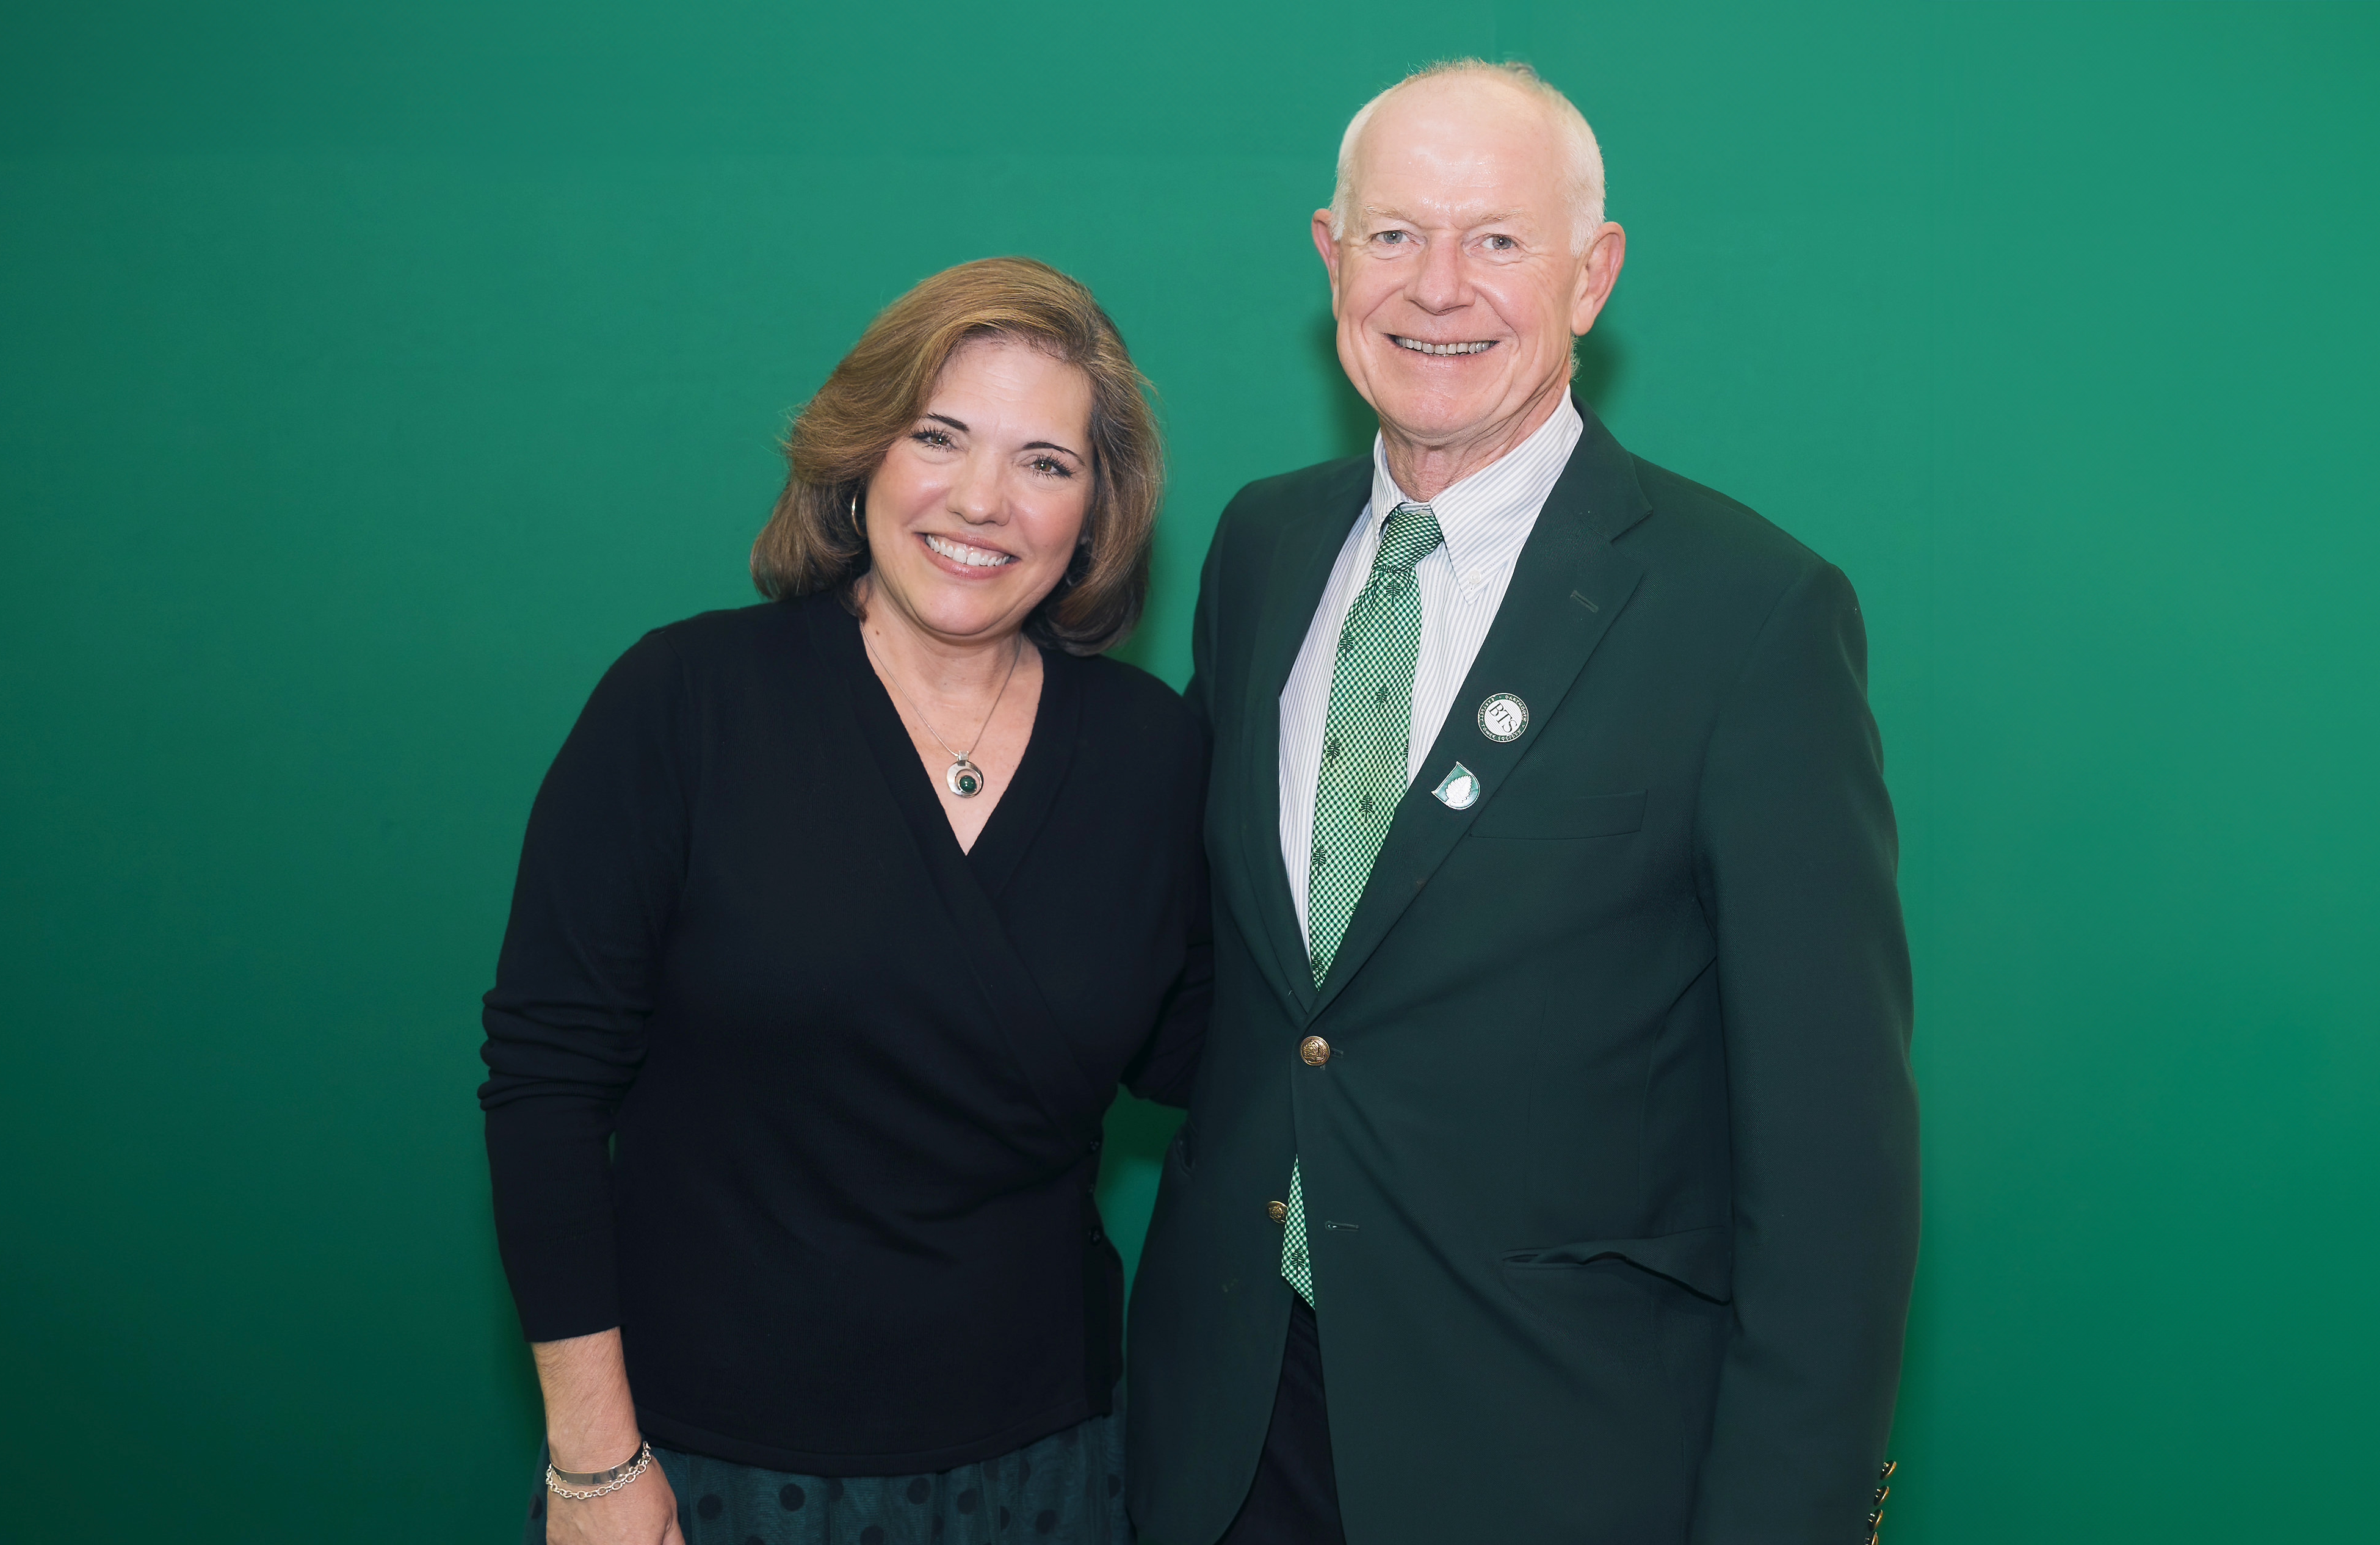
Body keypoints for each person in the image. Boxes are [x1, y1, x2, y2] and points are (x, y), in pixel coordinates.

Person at [1124, 60, 1918, 1545]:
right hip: (1232, 1434)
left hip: (1558, 1454)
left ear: (1591, 274)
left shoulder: (1748, 615)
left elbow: (1835, 1162)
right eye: (1394, 235)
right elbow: (1249, 989)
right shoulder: (1261, 549)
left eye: (1497, 240)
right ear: (1328, 253)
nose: (1438, 288)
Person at [479, 256, 1210, 1545]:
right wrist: (594, 1462)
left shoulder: (1149, 753)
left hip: (1046, 1466)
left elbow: (1219, 1052)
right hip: (709, 1468)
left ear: (1098, 512)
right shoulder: (683, 704)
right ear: (861, 452)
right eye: (941, 438)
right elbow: (544, 1089)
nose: (982, 501)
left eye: (1047, 462)